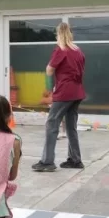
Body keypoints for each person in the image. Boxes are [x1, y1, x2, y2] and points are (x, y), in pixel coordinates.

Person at [32, 22, 85, 172]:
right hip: (77, 92)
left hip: (64, 92)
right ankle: (75, 160)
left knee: (51, 124)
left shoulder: (61, 50)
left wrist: (50, 82)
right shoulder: (78, 50)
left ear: (58, 34)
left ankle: (47, 162)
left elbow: (49, 70)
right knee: (70, 126)